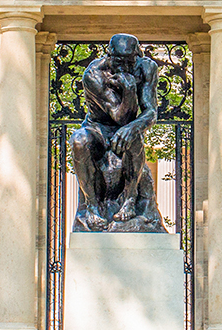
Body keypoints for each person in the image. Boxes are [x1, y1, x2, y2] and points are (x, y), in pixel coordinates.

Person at [70, 34, 165, 233]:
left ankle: (130, 201)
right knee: (79, 140)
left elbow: (151, 112)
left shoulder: (147, 67)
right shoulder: (94, 73)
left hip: (127, 129)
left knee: (133, 135)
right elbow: (119, 116)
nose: (123, 66)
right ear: (109, 55)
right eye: (118, 60)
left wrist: (134, 126)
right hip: (97, 129)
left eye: (129, 61)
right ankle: (92, 205)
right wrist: (129, 90)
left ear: (137, 55)